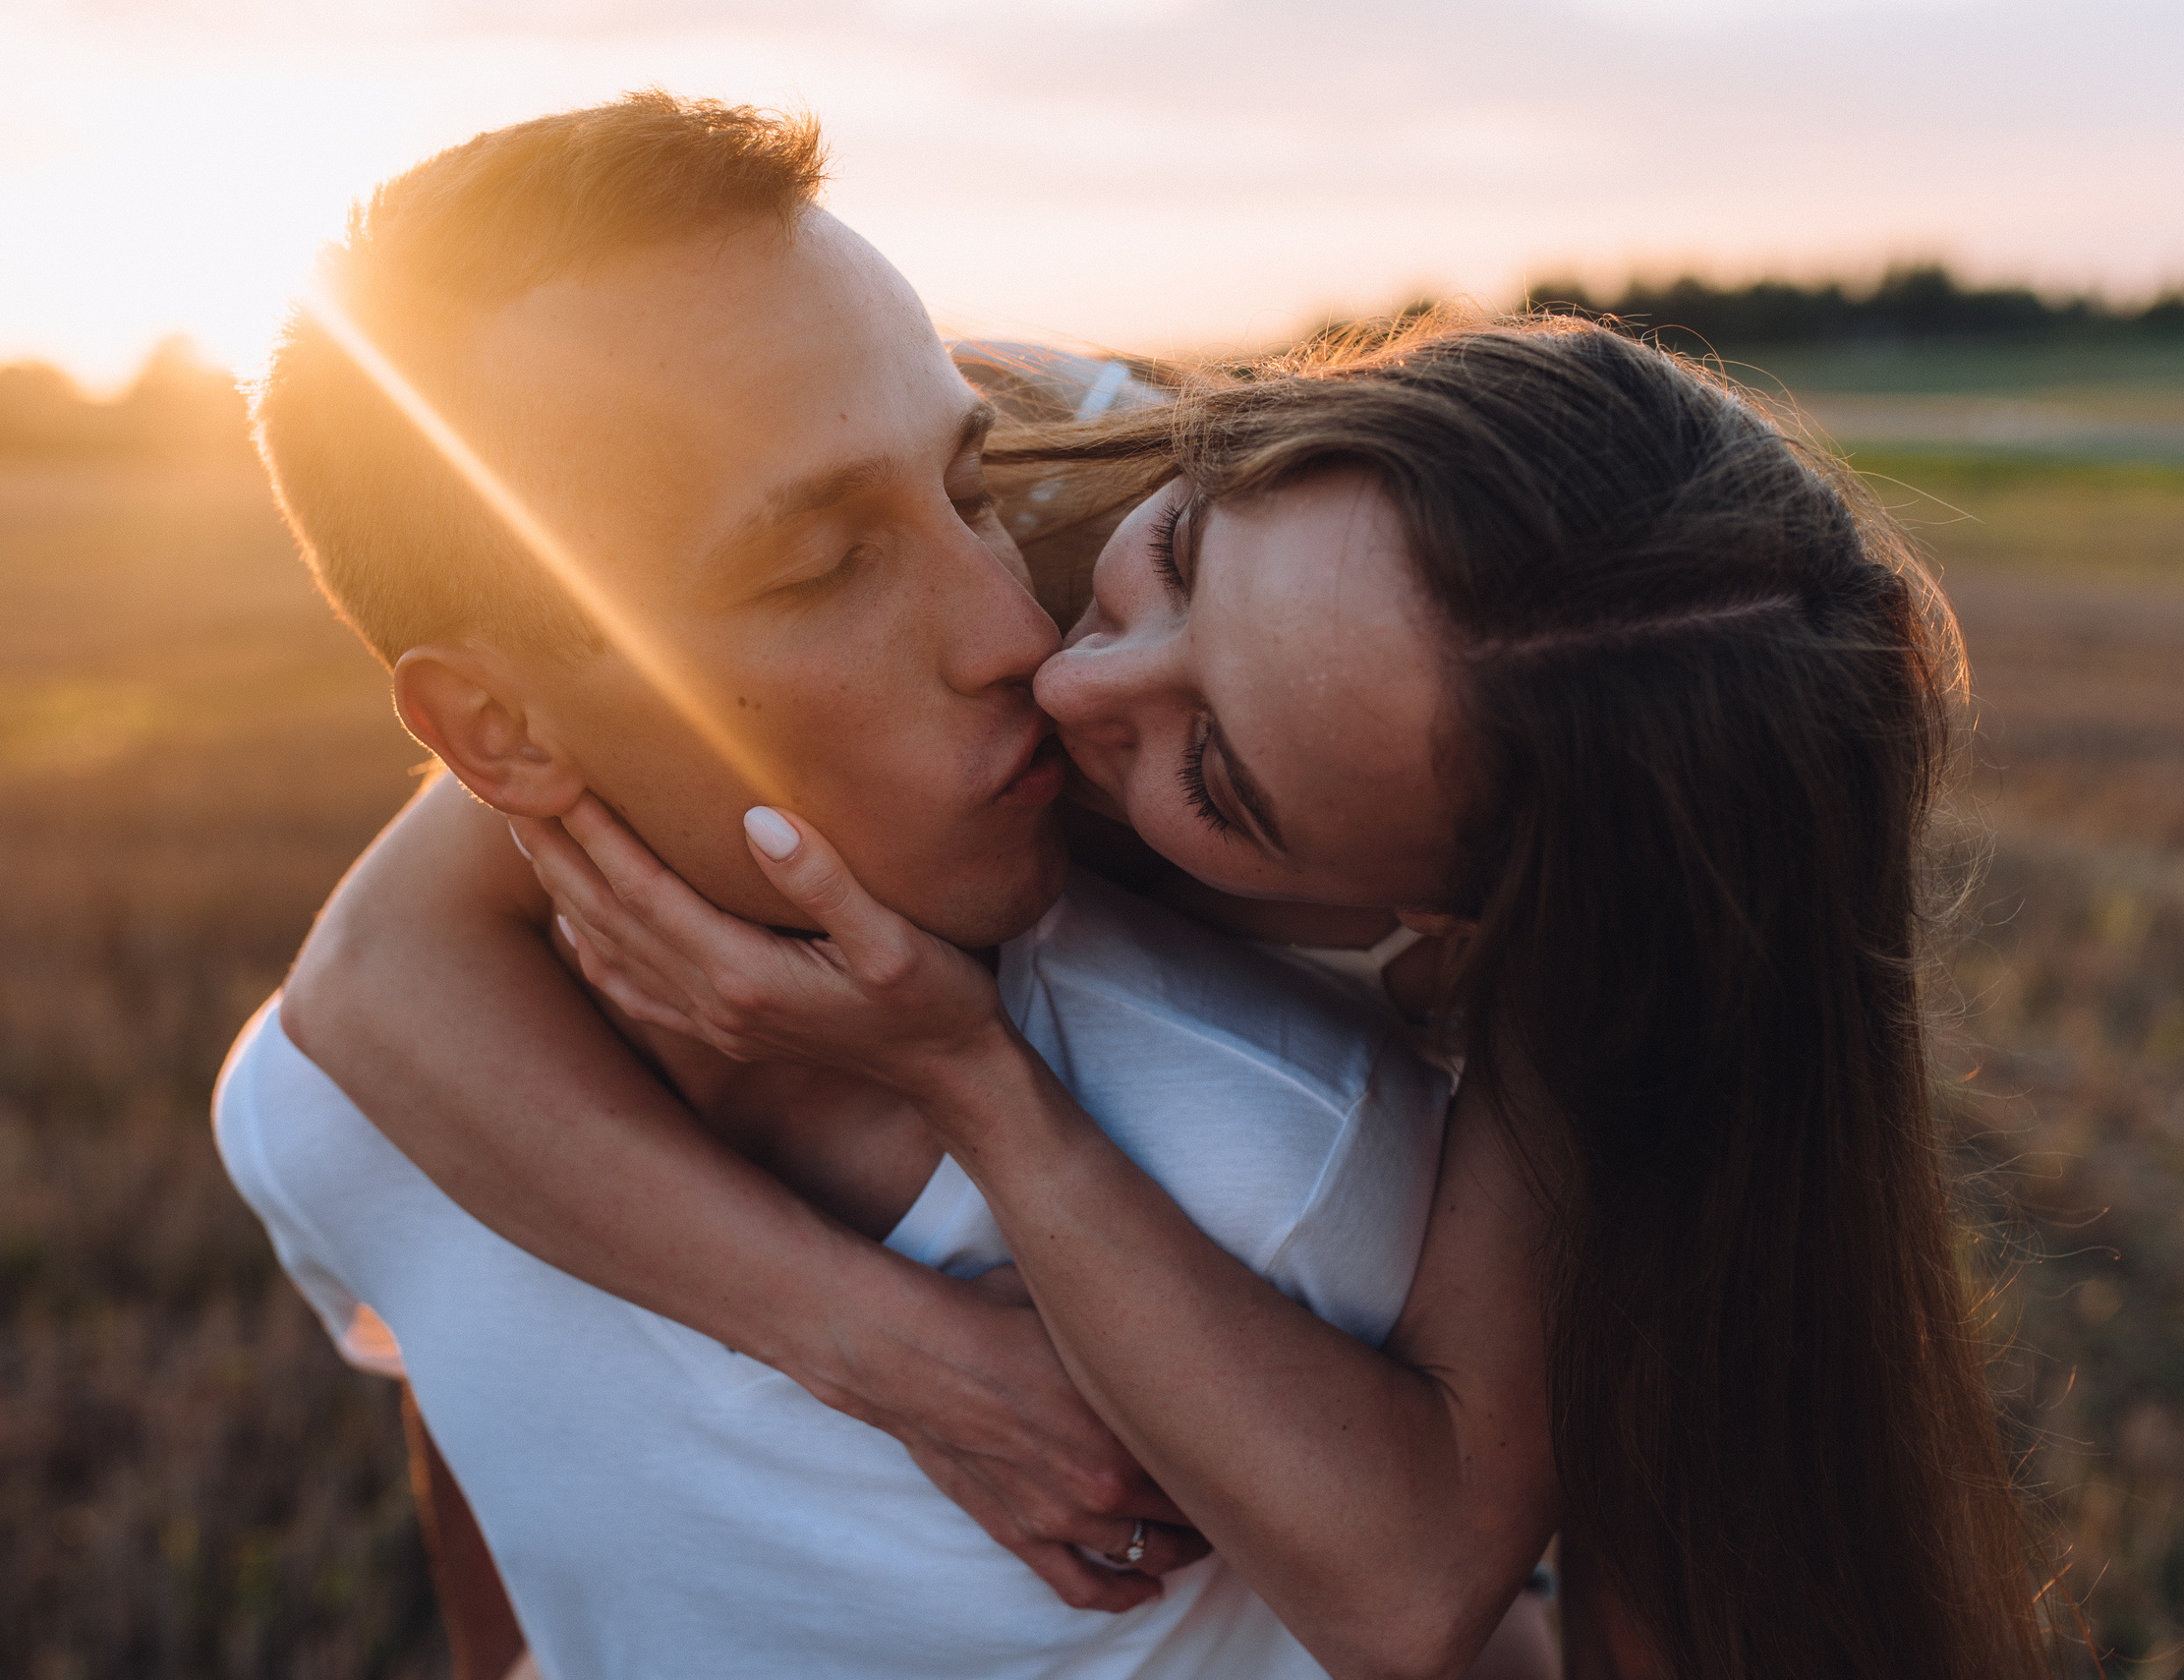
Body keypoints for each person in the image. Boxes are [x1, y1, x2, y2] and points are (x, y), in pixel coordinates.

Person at [262, 116, 2059, 1680]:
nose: (1047, 668)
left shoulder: (1490, 1072)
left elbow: (1425, 1591)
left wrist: (982, 1087)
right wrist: (887, 1351)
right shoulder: (1008, 441)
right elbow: (373, 979)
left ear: (1448, 939)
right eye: (1171, 570)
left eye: (1222, 781)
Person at [214, 92, 1552, 1680]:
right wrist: (891, 1350)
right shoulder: (333, 1110)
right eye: (817, 566)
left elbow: (1449, 1606)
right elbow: (477, 1393)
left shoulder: (1296, 1175)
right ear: (492, 733)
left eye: (974, 487)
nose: (1023, 638)